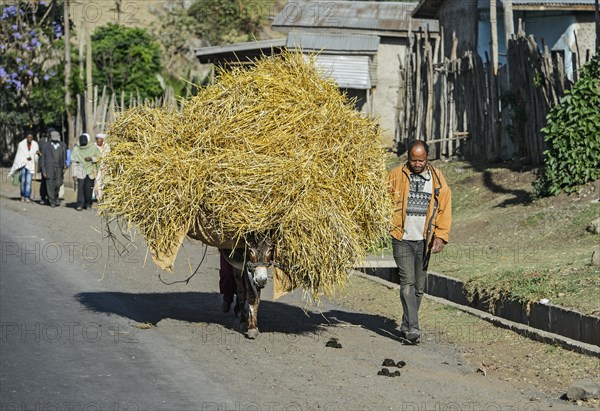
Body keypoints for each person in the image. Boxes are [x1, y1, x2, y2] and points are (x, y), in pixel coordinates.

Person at [387, 140, 452, 345]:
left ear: (427, 158)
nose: (417, 164)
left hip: (424, 239)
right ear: (408, 158)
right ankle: (414, 328)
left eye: (421, 160)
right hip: (401, 237)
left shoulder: (437, 179)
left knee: (419, 287)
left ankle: (406, 324)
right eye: (413, 160)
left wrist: (440, 236)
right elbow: (382, 199)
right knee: (407, 282)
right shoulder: (396, 175)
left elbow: (444, 208)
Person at [71, 133, 100, 211]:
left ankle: (88, 204)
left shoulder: (93, 147)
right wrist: (73, 174)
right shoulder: (76, 148)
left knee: (89, 189)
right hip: (80, 171)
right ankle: (80, 204)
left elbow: (99, 158)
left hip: (90, 171)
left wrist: (91, 158)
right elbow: (73, 161)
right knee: (80, 189)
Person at [7, 131, 39, 202]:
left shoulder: (35, 144)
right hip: (22, 165)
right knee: (23, 181)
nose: (30, 138)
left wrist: (35, 157)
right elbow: (19, 155)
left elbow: (37, 154)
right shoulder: (21, 144)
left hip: (30, 165)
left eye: (31, 137)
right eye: (28, 137)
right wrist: (25, 158)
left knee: (28, 182)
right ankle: (22, 195)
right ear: (26, 137)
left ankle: (27, 196)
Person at [39, 130, 66, 208]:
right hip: (49, 167)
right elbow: (43, 159)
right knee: (50, 184)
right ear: (50, 138)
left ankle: (55, 196)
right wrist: (43, 170)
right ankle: (52, 200)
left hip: (59, 168)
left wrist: (65, 166)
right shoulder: (45, 146)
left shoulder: (63, 145)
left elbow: (64, 157)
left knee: (58, 183)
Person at [93, 133, 110, 201]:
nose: (98, 141)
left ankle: (103, 196)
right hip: (96, 167)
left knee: (104, 182)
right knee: (97, 181)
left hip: (105, 166)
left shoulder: (107, 146)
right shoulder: (93, 146)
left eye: (100, 139)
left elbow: (108, 155)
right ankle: (98, 196)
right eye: (97, 139)